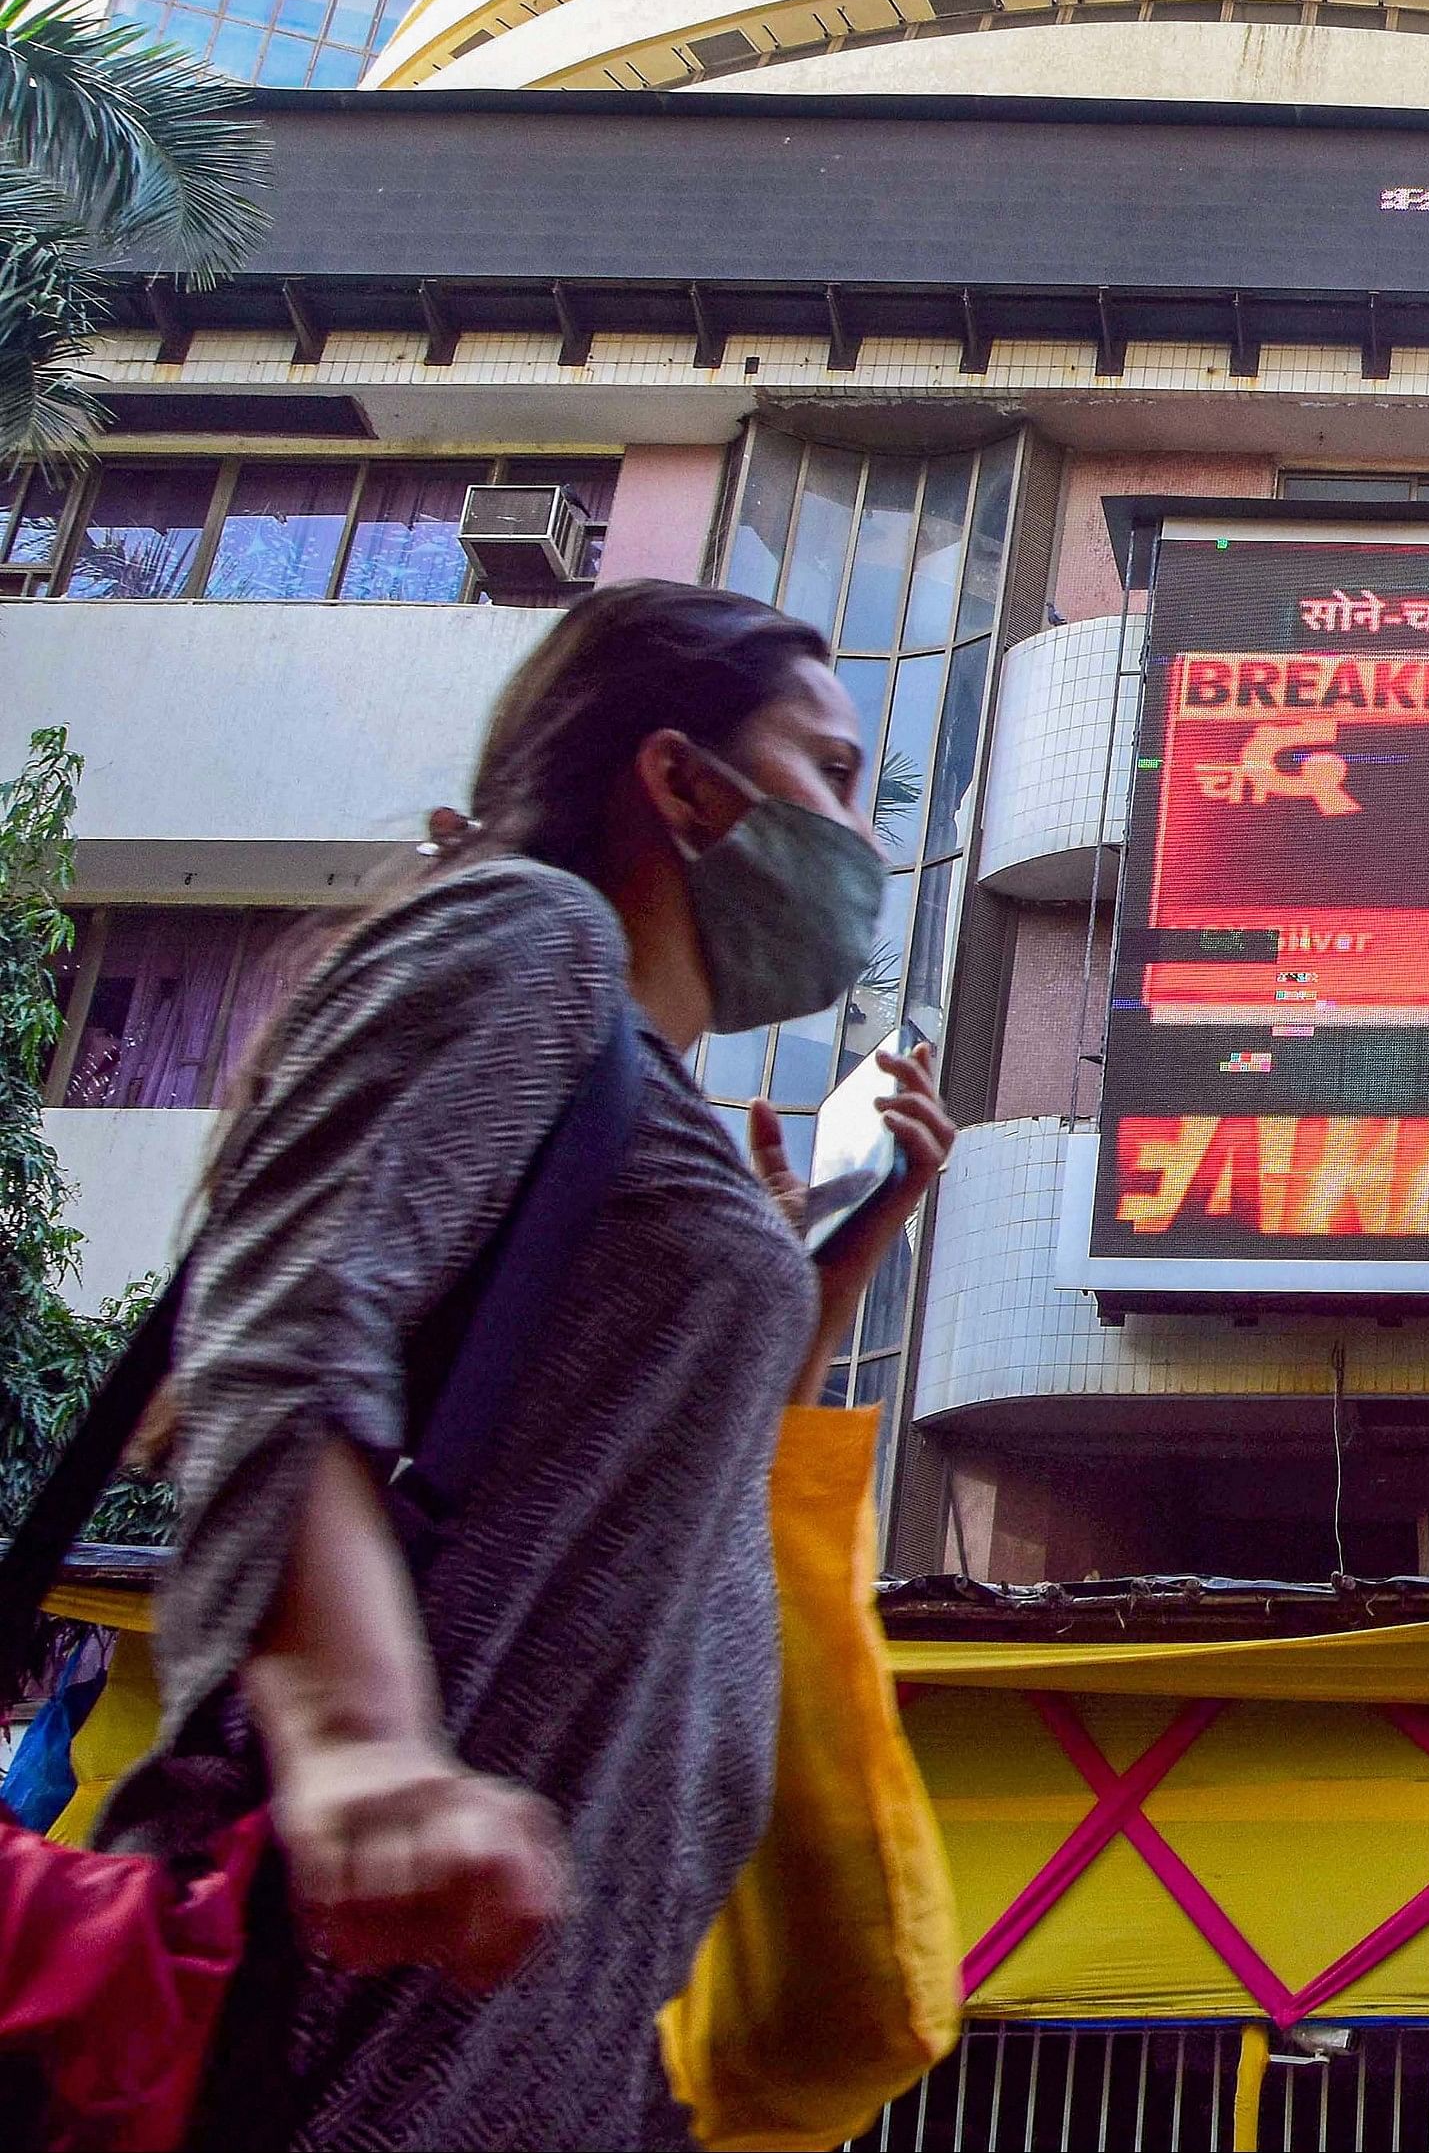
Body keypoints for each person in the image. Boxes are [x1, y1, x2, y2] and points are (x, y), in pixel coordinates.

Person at [95, 580, 957, 2148]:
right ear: (682, 781)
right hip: (364, 1991)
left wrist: (828, 1252)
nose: (863, 837)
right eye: (829, 772)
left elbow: (668, 1472)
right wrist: (364, 1752)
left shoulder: (660, 1109)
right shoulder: (531, 938)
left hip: (568, 2029)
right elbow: (291, 1327)